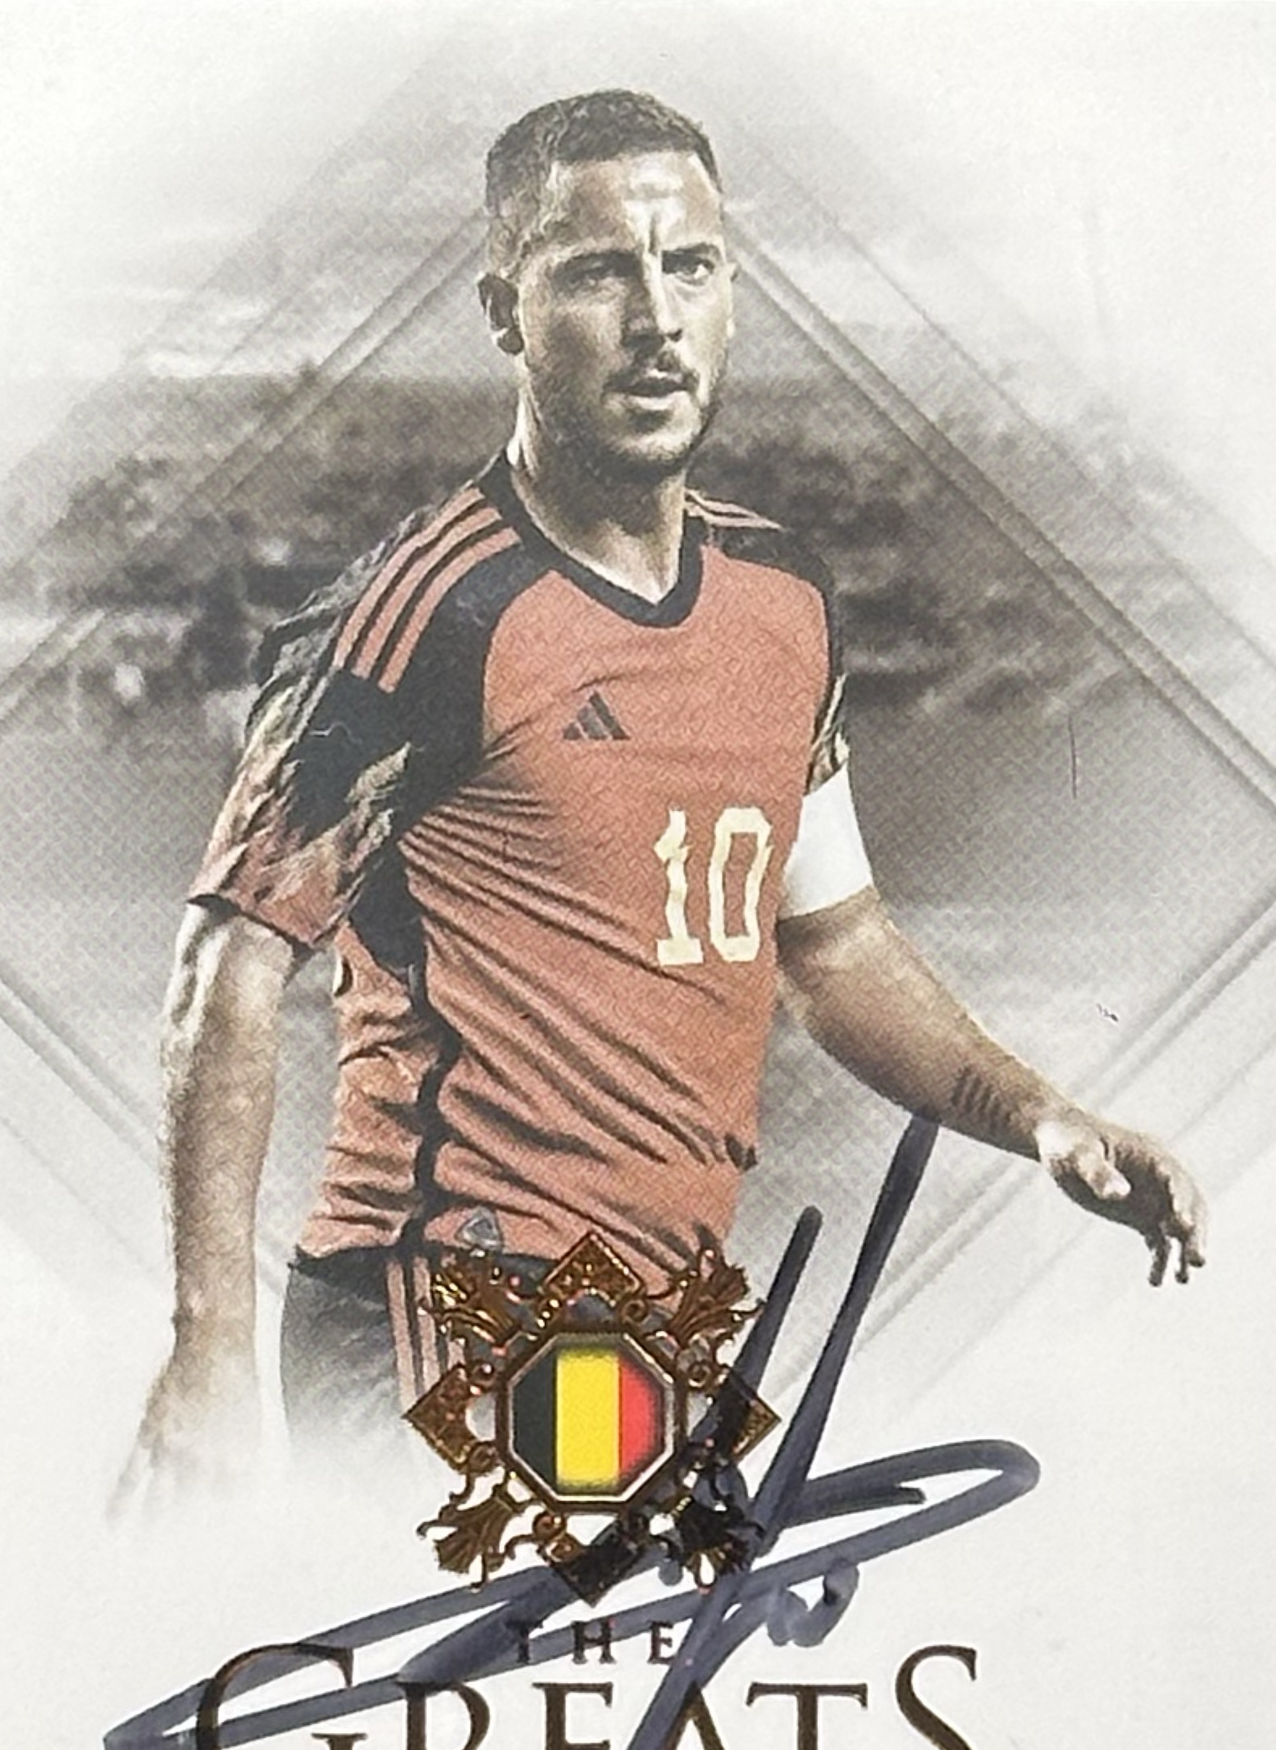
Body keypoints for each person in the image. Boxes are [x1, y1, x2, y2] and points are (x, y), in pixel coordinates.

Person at [129, 89, 1205, 1490]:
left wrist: (1044, 1117)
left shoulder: (783, 595)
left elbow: (835, 948)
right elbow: (229, 958)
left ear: (731, 293)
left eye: (689, 266)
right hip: (453, 1298)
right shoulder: (423, 613)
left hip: (651, 1316)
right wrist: (207, 1345)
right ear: (506, 312)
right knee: (566, 1633)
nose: (656, 319)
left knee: (693, 1630)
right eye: (597, 273)